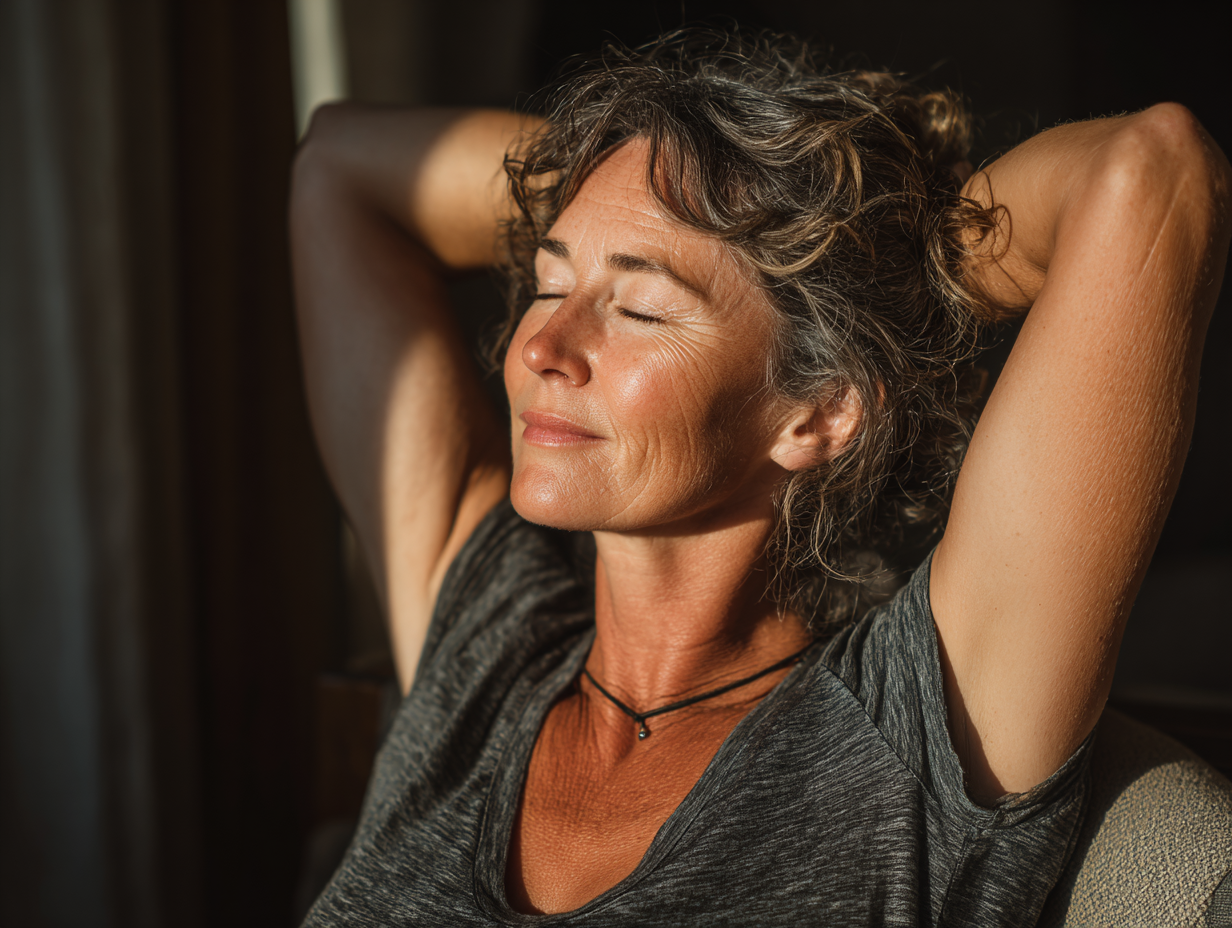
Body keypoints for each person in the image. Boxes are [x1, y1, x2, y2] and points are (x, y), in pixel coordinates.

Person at [289, 30, 1229, 926]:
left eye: (641, 309)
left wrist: (877, 272)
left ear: (816, 413)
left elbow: (1150, 169)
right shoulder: (484, 651)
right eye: (549, 283)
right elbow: (338, 165)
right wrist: (641, 172)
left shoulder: (910, 732)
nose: (542, 347)